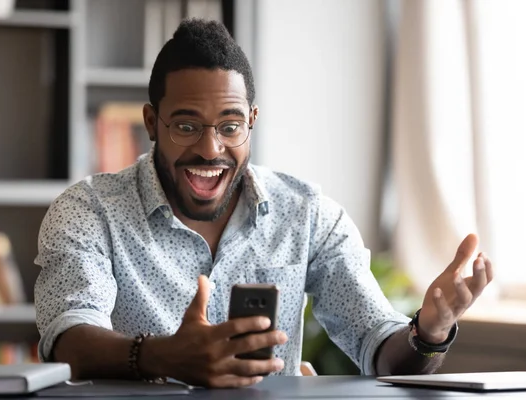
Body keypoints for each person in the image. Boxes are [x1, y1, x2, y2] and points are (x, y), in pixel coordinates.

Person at [34, 19, 493, 388]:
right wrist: (163, 355)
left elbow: (384, 353)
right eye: (187, 126)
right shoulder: (88, 211)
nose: (211, 150)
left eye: (229, 126)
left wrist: (429, 332)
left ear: (251, 122)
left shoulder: (309, 215)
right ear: (152, 123)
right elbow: (67, 339)